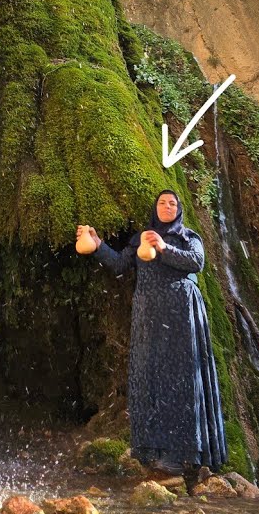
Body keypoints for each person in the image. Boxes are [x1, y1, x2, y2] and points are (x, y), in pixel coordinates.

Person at [77, 190, 228, 494]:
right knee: (150, 378)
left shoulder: (187, 237)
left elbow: (197, 263)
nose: (167, 206)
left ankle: (185, 454)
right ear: (155, 208)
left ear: (179, 209)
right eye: (162, 202)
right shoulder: (140, 238)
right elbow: (120, 266)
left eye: (172, 203)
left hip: (182, 317)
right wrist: (97, 246)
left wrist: (163, 247)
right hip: (148, 317)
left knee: (181, 380)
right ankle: (154, 452)